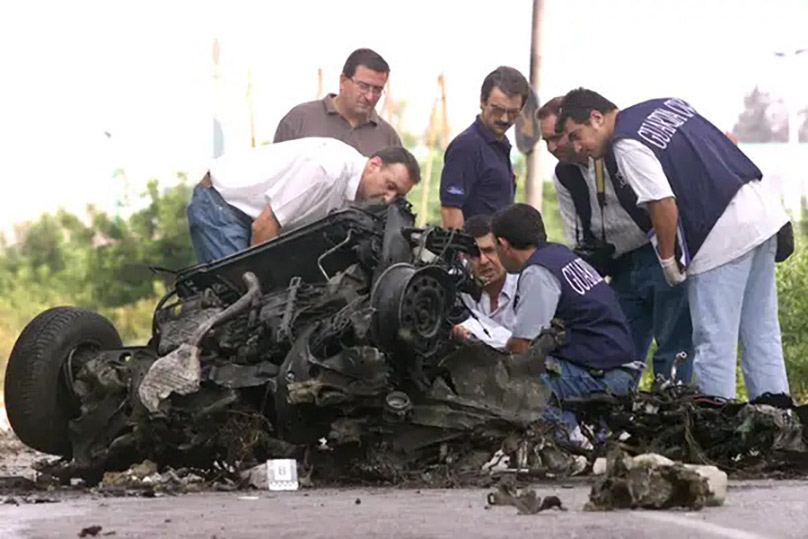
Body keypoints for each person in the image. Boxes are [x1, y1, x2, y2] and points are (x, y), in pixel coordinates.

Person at [556, 88, 790, 400]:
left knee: (713, 344)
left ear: (596, 118)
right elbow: (723, 145)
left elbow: (662, 203)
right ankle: (777, 415)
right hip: (760, 214)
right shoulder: (665, 106)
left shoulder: (624, 143)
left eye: (576, 135)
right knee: (761, 334)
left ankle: (715, 424)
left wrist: (668, 260)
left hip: (719, 235)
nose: (577, 147)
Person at [537, 97, 693, 383]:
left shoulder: (615, 151)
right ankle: (618, 403)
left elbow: (660, 201)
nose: (552, 147)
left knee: (672, 343)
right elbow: (576, 235)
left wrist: (669, 258)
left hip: (656, 250)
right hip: (618, 264)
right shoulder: (564, 175)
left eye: (558, 137)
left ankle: (672, 400)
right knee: (618, 349)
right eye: (546, 140)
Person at [491, 204, 642, 435]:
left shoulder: (538, 272)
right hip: (618, 369)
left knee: (515, 379)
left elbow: (523, 346)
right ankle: (583, 436)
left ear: (503, 244)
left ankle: (566, 441)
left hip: (602, 376)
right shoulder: (559, 255)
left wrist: (493, 351)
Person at [187, 137, 420, 263]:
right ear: (374, 164)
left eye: (397, 195)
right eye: (390, 186)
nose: (389, 199)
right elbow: (264, 227)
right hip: (222, 205)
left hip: (251, 216)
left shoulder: (356, 191)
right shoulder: (326, 170)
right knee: (238, 306)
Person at [439, 66, 529, 229]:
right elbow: (451, 211)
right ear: (482, 101)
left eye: (513, 113)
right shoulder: (467, 147)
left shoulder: (500, 146)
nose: (504, 119)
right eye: (498, 110)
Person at [273, 48, 401, 156]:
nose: (370, 96)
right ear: (343, 81)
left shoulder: (388, 138)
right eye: (363, 86)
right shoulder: (300, 120)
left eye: (377, 90)